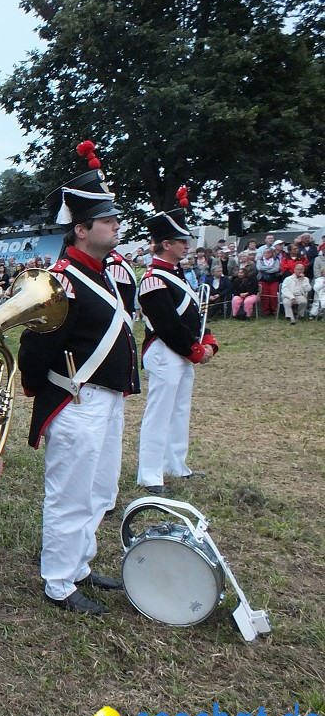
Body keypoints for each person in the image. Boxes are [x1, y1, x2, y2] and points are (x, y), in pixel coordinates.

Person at [18, 143, 139, 618]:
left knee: (98, 489)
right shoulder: (60, 282)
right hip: (77, 397)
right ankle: (58, 581)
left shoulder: (105, 274)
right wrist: (42, 388)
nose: (115, 226)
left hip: (105, 399)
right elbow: (35, 347)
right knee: (70, 492)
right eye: (106, 220)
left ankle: (79, 564)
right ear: (82, 229)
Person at [136, 198, 218, 495]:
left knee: (180, 409)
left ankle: (175, 464)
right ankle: (149, 473)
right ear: (166, 244)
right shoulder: (153, 278)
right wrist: (194, 349)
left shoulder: (175, 274)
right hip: (164, 351)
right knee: (159, 412)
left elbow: (192, 313)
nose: (187, 245)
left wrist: (206, 339)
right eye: (181, 241)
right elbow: (166, 324)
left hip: (180, 351)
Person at [257, 246, 282, 316]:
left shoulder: (276, 260)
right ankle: (266, 311)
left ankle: (274, 310)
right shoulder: (260, 260)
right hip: (263, 280)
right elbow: (259, 268)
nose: (266, 254)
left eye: (268, 253)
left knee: (273, 295)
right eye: (265, 253)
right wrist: (270, 268)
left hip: (274, 280)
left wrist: (266, 270)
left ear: (271, 253)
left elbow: (276, 269)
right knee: (264, 296)